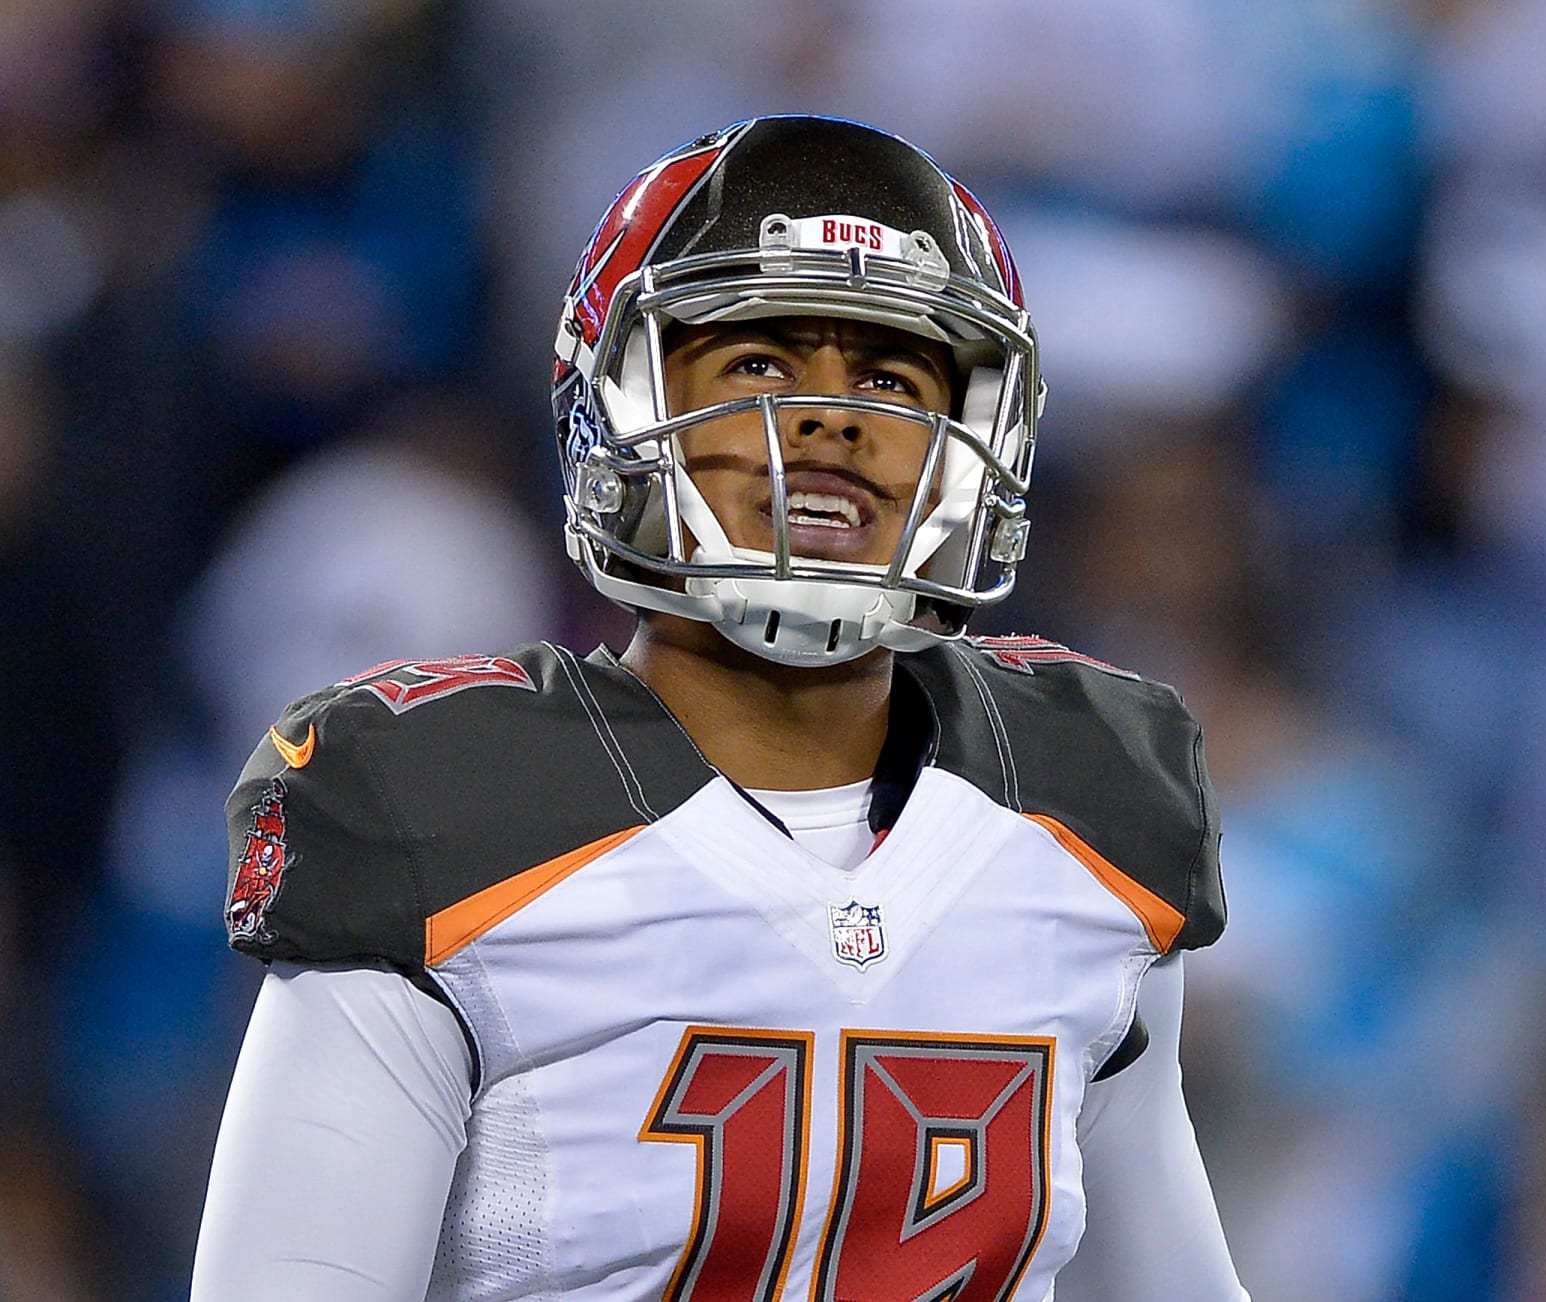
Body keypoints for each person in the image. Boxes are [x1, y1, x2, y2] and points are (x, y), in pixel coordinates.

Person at [192, 115, 1251, 1301]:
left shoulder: (1092, 804)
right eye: (759, 363)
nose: (832, 419)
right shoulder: (438, 810)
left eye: (892, 377)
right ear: (626, 405)